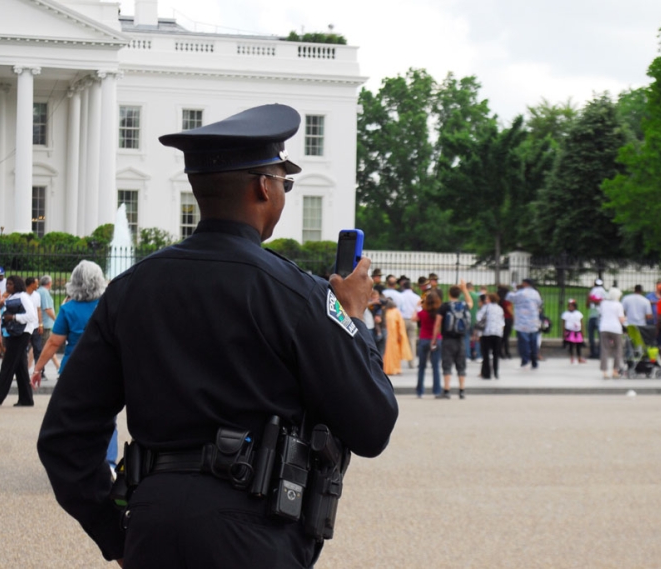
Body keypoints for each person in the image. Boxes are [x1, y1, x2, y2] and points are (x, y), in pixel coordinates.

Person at [37, 104, 399, 568]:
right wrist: (351, 318)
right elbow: (372, 425)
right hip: (256, 535)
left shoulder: (130, 290)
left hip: (153, 531)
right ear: (263, 187)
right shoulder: (297, 295)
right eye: (283, 183)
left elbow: (65, 438)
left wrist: (117, 534)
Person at [32, 262, 118, 467]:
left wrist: (38, 368)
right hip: (105, 367)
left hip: (74, 367)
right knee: (107, 417)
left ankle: (75, 458)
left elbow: (54, 342)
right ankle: (107, 461)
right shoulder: (108, 304)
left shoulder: (68, 308)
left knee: (73, 417)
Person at [0, 275, 38, 407]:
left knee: (8, 364)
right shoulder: (12, 297)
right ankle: (26, 399)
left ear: (17, 285)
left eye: (11, 284)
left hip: (22, 333)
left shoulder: (23, 297)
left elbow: (31, 316)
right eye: (7, 284)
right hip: (14, 333)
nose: (8, 286)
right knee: (20, 368)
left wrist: (13, 317)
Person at [431, 282, 472, 399]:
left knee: (447, 364)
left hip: (448, 340)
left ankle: (447, 390)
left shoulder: (444, 306)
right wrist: (465, 289)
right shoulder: (464, 305)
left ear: (449, 293)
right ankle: (461, 390)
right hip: (461, 339)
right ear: (459, 294)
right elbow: (471, 303)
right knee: (461, 365)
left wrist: (434, 339)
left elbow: (437, 323)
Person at [506, 279, 543, 369]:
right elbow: (539, 303)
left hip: (522, 323)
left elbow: (509, 297)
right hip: (533, 322)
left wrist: (514, 288)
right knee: (534, 343)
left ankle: (525, 361)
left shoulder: (520, 293)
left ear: (525, 283)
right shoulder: (535, 293)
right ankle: (534, 361)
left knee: (524, 343)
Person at [414, 289, 443, 397]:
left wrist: (417, 306)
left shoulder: (422, 313)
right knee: (435, 366)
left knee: (421, 366)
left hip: (424, 338)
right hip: (436, 339)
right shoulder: (438, 313)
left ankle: (420, 391)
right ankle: (436, 391)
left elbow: (413, 318)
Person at [599, 288, 626, 378]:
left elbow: (601, 313)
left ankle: (604, 372)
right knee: (618, 350)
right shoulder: (618, 305)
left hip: (604, 327)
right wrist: (626, 319)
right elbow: (621, 319)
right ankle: (615, 371)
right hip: (616, 329)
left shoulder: (603, 303)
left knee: (605, 350)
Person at [36, 274, 60, 378]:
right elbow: (47, 309)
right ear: (49, 283)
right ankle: (58, 368)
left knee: (37, 348)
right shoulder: (44, 293)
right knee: (48, 348)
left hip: (41, 324)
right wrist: (56, 319)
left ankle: (30, 368)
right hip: (45, 324)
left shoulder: (39, 291)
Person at [476, 293, 504, 379]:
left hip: (487, 333)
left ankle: (487, 373)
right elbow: (502, 322)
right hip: (497, 333)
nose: (486, 300)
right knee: (496, 354)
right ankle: (496, 372)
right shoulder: (500, 309)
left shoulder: (486, 307)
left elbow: (479, 318)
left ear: (490, 299)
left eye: (487, 299)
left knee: (486, 354)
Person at [383, 297, 411, 375]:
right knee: (387, 353)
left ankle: (394, 368)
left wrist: (400, 335)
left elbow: (400, 325)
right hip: (389, 334)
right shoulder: (386, 311)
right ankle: (387, 368)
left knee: (394, 353)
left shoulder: (394, 312)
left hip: (393, 335)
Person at [398, 279, 421, 367]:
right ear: (411, 287)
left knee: (401, 340)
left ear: (403, 287)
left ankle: (399, 361)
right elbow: (419, 309)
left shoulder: (400, 296)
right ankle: (411, 362)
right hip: (412, 319)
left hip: (402, 319)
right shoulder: (416, 297)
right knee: (412, 341)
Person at [561, 299, 586, 365]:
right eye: (569, 306)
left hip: (577, 332)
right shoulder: (566, 314)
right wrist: (564, 332)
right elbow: (563, 323)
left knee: (578, 346)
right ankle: (571, 357)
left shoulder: (578, 313)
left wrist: (582, 331)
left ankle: (579, 357)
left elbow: (581, 322)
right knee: (571, 346)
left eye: (572, 306)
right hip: (570, 332)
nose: (570, 307)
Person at [586, 278, 606, 359]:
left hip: (598, 316)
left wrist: (593, 299)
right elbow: (588, 305)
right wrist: (589, 298)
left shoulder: (601, 292)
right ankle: (594, 352)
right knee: (594, 336)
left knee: (597, 336)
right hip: (593, 316)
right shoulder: (595, 291)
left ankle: (598, 352)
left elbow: (603, 303)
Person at [497, 285, 514, 359]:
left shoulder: (498, 299)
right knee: (506, 337)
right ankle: (506, 352)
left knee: (501, 336)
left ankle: (500, 352)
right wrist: (514, 317)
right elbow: (509, 310)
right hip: (507, 319)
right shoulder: (507, 300)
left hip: (500, 319)